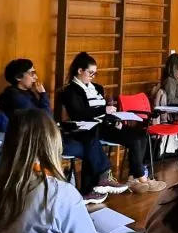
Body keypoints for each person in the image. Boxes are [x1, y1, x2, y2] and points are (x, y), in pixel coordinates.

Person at [0, 58, 122, 200]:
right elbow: (45, 117)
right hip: (39, 141)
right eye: (32, 73)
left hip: (48, 134)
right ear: (18, 77)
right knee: (89, 148)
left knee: (89, 141)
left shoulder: (27, 93)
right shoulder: (16, 96)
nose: (36, 77)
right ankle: (96, 185)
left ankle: (96, 186)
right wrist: (43, 94)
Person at [60, 52, 149, 190]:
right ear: (80, 71)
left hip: (106, 124)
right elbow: (79, 114)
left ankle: (135, 176)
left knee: (140, 135)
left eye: (95, 73)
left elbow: (105, 110)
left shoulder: (97, 88)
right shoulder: (70, 91)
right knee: (129, 140)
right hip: (91, 128)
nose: (92, 77)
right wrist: (103, 111)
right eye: (90, 73)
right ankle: (140, 177)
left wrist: (115, 119)